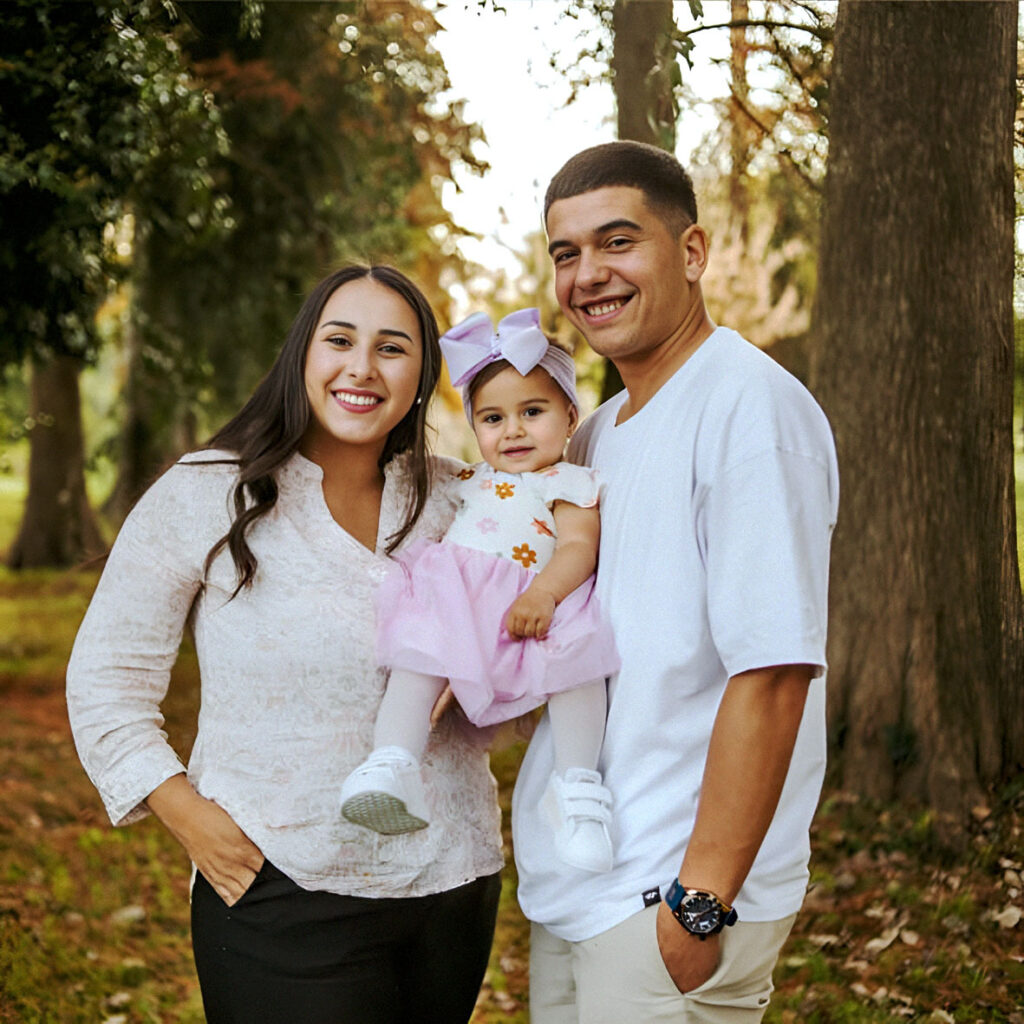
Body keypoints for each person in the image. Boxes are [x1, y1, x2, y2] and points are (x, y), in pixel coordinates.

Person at [66, 265, 504, 1024]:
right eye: (340, 341)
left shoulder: (462, 499)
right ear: (302, 354)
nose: (361, 368)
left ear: (422, 378)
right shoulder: (208, 491)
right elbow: (106, 678)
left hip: (452, 886)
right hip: (277, 887)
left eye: (391, 348)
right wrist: (189, 816)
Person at [512, 141, 840, 1023]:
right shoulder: (597, 433)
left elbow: (774, 672)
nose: (588, 274)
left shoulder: (749, 408)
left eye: (617, 242)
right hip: (581, 886)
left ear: (691, 251)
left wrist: (700, 904)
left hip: (673, 899)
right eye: (567, 253)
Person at [340, 307, 620, 874]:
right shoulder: (469, 477)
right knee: (417, 659)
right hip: (458, 604)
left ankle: (577, 790)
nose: (512, 430)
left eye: (532, 412)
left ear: (570, 416)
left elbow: (577, 548)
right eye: (492, 418)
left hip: (532, 606)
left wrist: (545, 595)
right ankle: (393, 763)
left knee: (579, 665)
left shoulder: (568, 482)